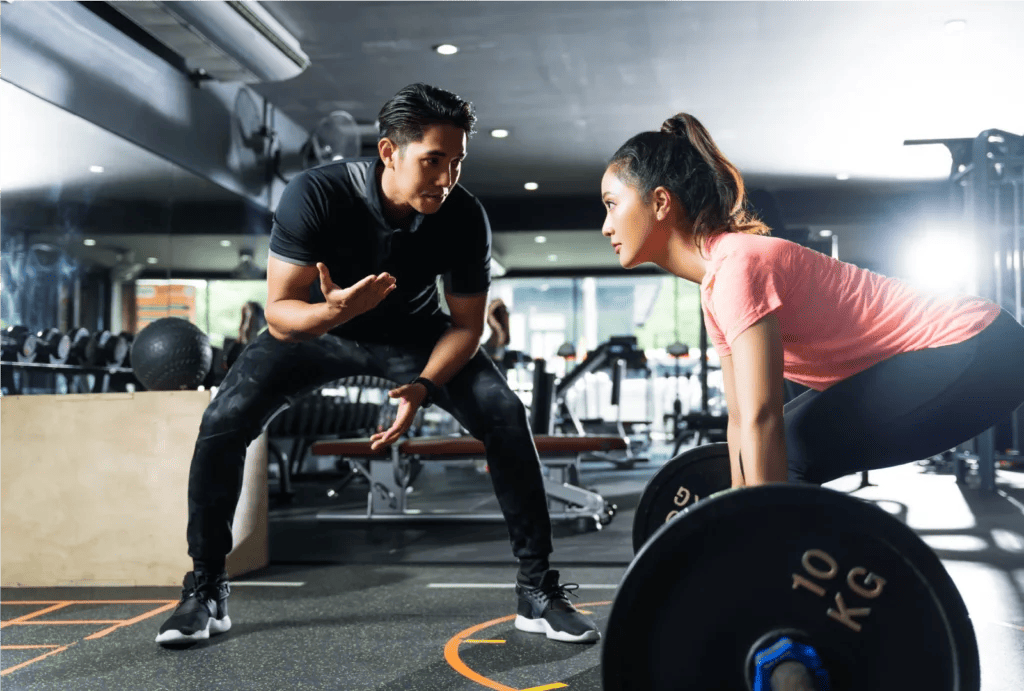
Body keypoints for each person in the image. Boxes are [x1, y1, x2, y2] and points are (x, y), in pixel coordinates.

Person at [156, 84, 599, 646]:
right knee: (223, 420)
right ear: (389, 152)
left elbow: (466, 326)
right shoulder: (313, 194)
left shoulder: (464, 216)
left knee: (505, 415)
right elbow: (278, 316)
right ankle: (206, 587)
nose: (447, 178)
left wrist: (422, 385)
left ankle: (537, 590)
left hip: (415, 336)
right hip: (317, 332)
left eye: (457, 161)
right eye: (432, 161)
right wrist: (332, 311)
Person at [600, 112, 1024, 488]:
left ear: (660, 203)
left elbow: (763, 418)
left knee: (789, 450)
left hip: (979, 348)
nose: (606, 226)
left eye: (611, 205)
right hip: (975, 350)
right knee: (781, 451)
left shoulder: (738, 266)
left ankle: (811, 570)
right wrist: (731, 509)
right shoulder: (715, 285)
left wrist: (758, 522)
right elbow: (740, 421)